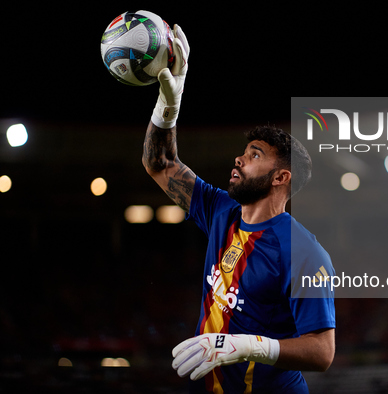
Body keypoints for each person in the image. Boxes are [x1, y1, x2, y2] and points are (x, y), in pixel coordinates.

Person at [142, 25, 336, 393]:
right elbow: (159, 163)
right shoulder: (220, 210)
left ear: (281, 177)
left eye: (254, 155)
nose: (239, 158)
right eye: (244, 152)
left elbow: (323, 352)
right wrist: (170, 104)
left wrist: (247, 346)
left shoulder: (305, 252)